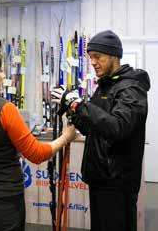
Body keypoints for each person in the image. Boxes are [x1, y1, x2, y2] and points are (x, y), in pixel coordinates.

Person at [0, 46, 76, 231]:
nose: (3, 75)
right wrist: (66, 137)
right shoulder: (4, 109)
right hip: (3, 204)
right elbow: (36, 153)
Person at [52, 30, 150, 231]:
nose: (93, 62)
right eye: (91, 58)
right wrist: (71, 110)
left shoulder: (131, 89)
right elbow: (92, 128)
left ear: (114, 56)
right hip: (100, 177)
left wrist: (80, 105)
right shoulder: (105, 86)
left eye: (98, 57)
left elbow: (117, 127)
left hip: (117, 181)